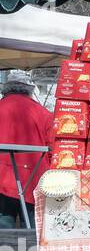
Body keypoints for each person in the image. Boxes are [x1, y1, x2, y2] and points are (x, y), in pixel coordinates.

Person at [0, 71, 52, 229]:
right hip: (32, 180)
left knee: (3, 233)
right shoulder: (44, 114)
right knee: (30, 235)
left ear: (6, 89)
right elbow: (53, 149)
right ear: (29, 90)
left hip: (2, 180)